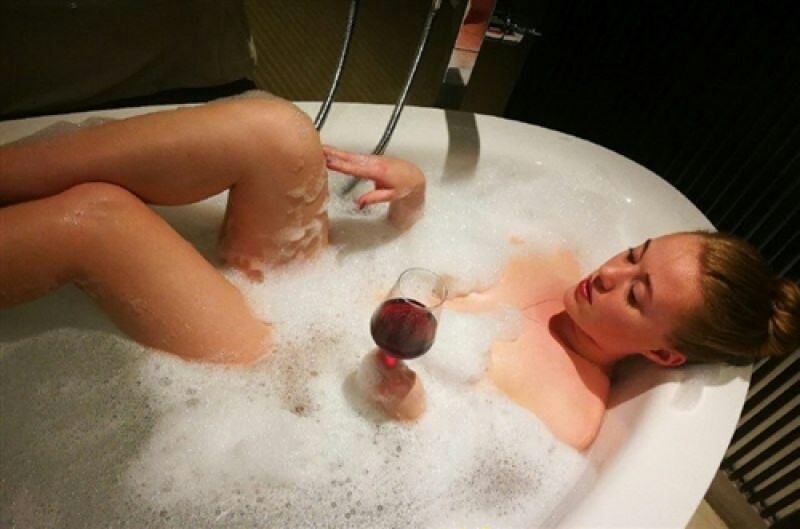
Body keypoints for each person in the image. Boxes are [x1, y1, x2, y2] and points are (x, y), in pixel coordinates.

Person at [1, 97, 798, 450]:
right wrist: (411, 196)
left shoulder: (570, 414)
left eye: (638, 293)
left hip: (285, 365)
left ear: (662, 352)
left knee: (102, 220)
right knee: (276, 132)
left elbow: (437, 458)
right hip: (312, 288)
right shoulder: (556, 251)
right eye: (634, 253)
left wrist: (405, 401)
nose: (610, 273)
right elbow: (431, 257)